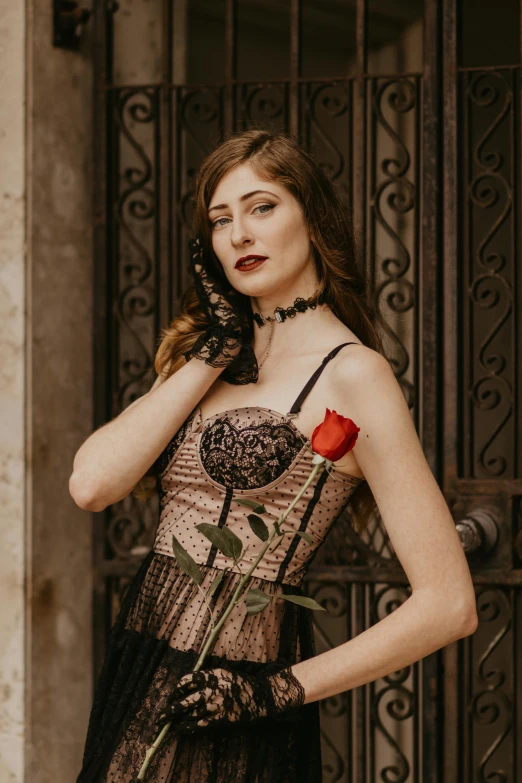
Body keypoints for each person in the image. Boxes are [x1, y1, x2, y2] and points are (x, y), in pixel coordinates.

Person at [71, 130, 478, 782]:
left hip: (238, 704)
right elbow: (92, 482)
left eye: (261, 207)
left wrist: (273, 691)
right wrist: (215, 346)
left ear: (313, 219)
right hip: (138, 671)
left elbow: (449, 602)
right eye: (220, 219)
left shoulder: (355, 376)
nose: (238, 235)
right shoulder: (204, 356)